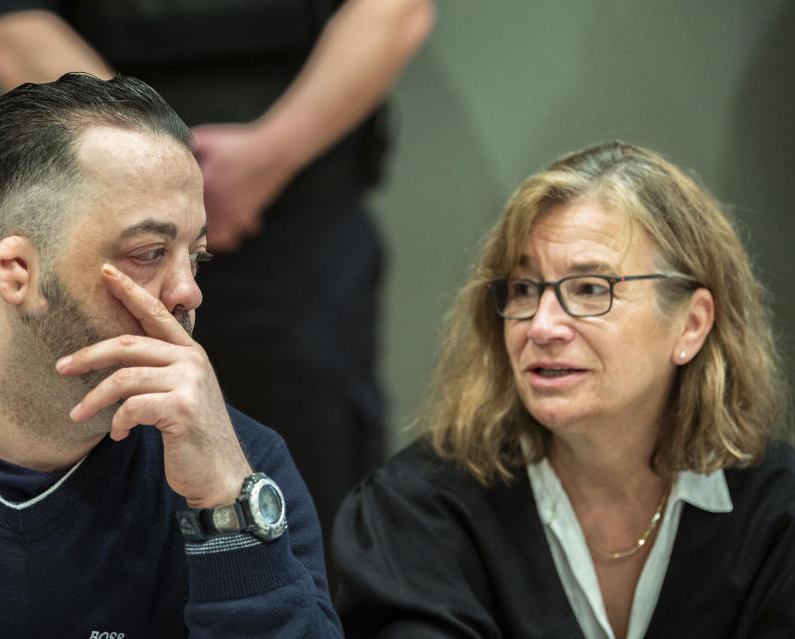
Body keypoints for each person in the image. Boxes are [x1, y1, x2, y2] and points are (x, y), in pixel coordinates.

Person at [0, 73, 342, 638]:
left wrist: (227, 513)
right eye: (149, 253)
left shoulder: (240, 470)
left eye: (196, 257)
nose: (188, 292)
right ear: (18, 273)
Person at [0, 0, 436, 544]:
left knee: (320, 455)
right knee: (107, 452)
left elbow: (394, 11)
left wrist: (271, 155)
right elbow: (16, 25)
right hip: (104, 217)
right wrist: (154, 163)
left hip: (301, 221)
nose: (185, 288)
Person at [332, 141, 795, 638]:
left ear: (691, 325)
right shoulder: (415, 515)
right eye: (525, 289)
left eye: (591, 289)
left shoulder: (778, 518)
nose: (542, 326)